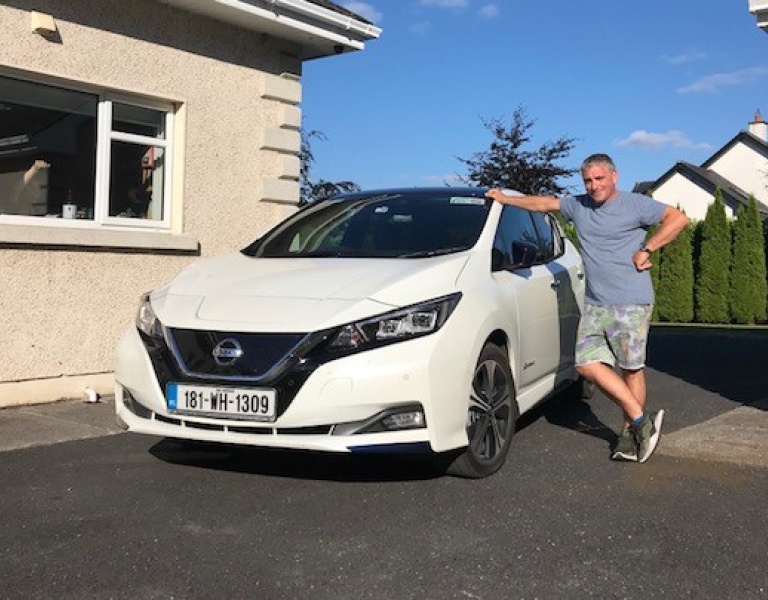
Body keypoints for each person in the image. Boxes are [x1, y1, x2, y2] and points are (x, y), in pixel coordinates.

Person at [486, 153, 689, 463]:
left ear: (614, 177)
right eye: (588, 180)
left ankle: (630, 435)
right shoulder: (577, 205)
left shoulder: (635, 204)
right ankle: (639, 419)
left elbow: (678, 219)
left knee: (631, 368)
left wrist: (648, 248)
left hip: (630, 300)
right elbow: (542, 204)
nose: (594, 186)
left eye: (599, 179)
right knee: (585, 365)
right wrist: (504, 199)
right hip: (595, 302)